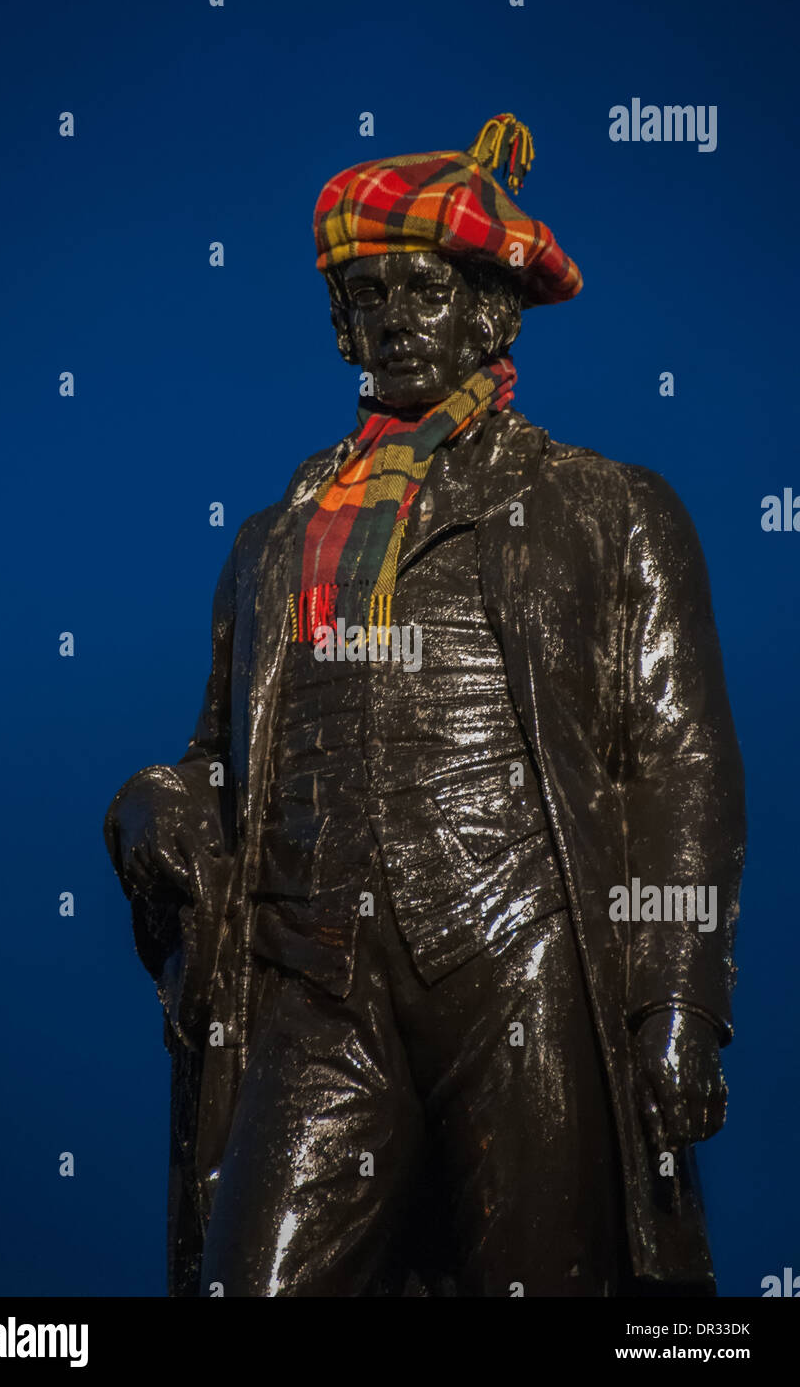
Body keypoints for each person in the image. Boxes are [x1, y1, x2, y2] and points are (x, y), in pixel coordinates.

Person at [105, 114, 745, 1296]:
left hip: (519, 959)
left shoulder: (606, 512)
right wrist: (157, 805)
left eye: (424, 290)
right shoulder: (270, 544)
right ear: (341, 325)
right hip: (309, 974)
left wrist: (674, 1002)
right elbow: (218, 762)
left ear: (490, 312)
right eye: (366, 297)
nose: (394, 319)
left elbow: (678, 767)